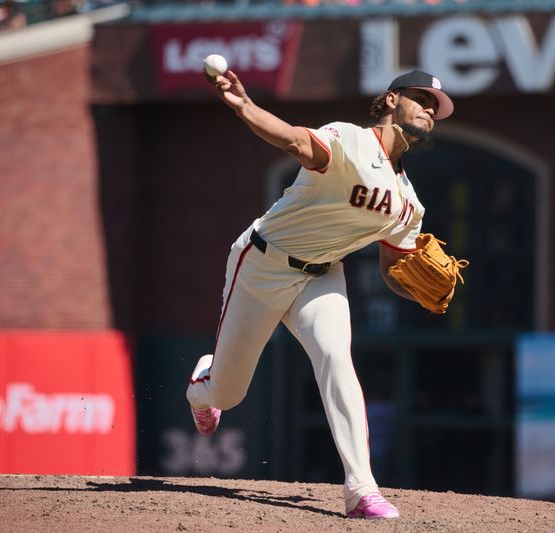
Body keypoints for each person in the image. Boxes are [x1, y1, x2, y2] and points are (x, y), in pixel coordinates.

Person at [186, 67, 454, 519]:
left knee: (336, 359)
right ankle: (202, 385)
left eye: (437, 107)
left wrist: (424, 294)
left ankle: (361, 491)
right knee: (227, 394)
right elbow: (294, 140)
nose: (430, 109)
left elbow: (393, 271)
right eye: (421, 97)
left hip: (323, 277)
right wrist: (244, 105)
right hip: (263, 263)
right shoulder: (349, 140)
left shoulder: (410, 203)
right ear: (391, 100)